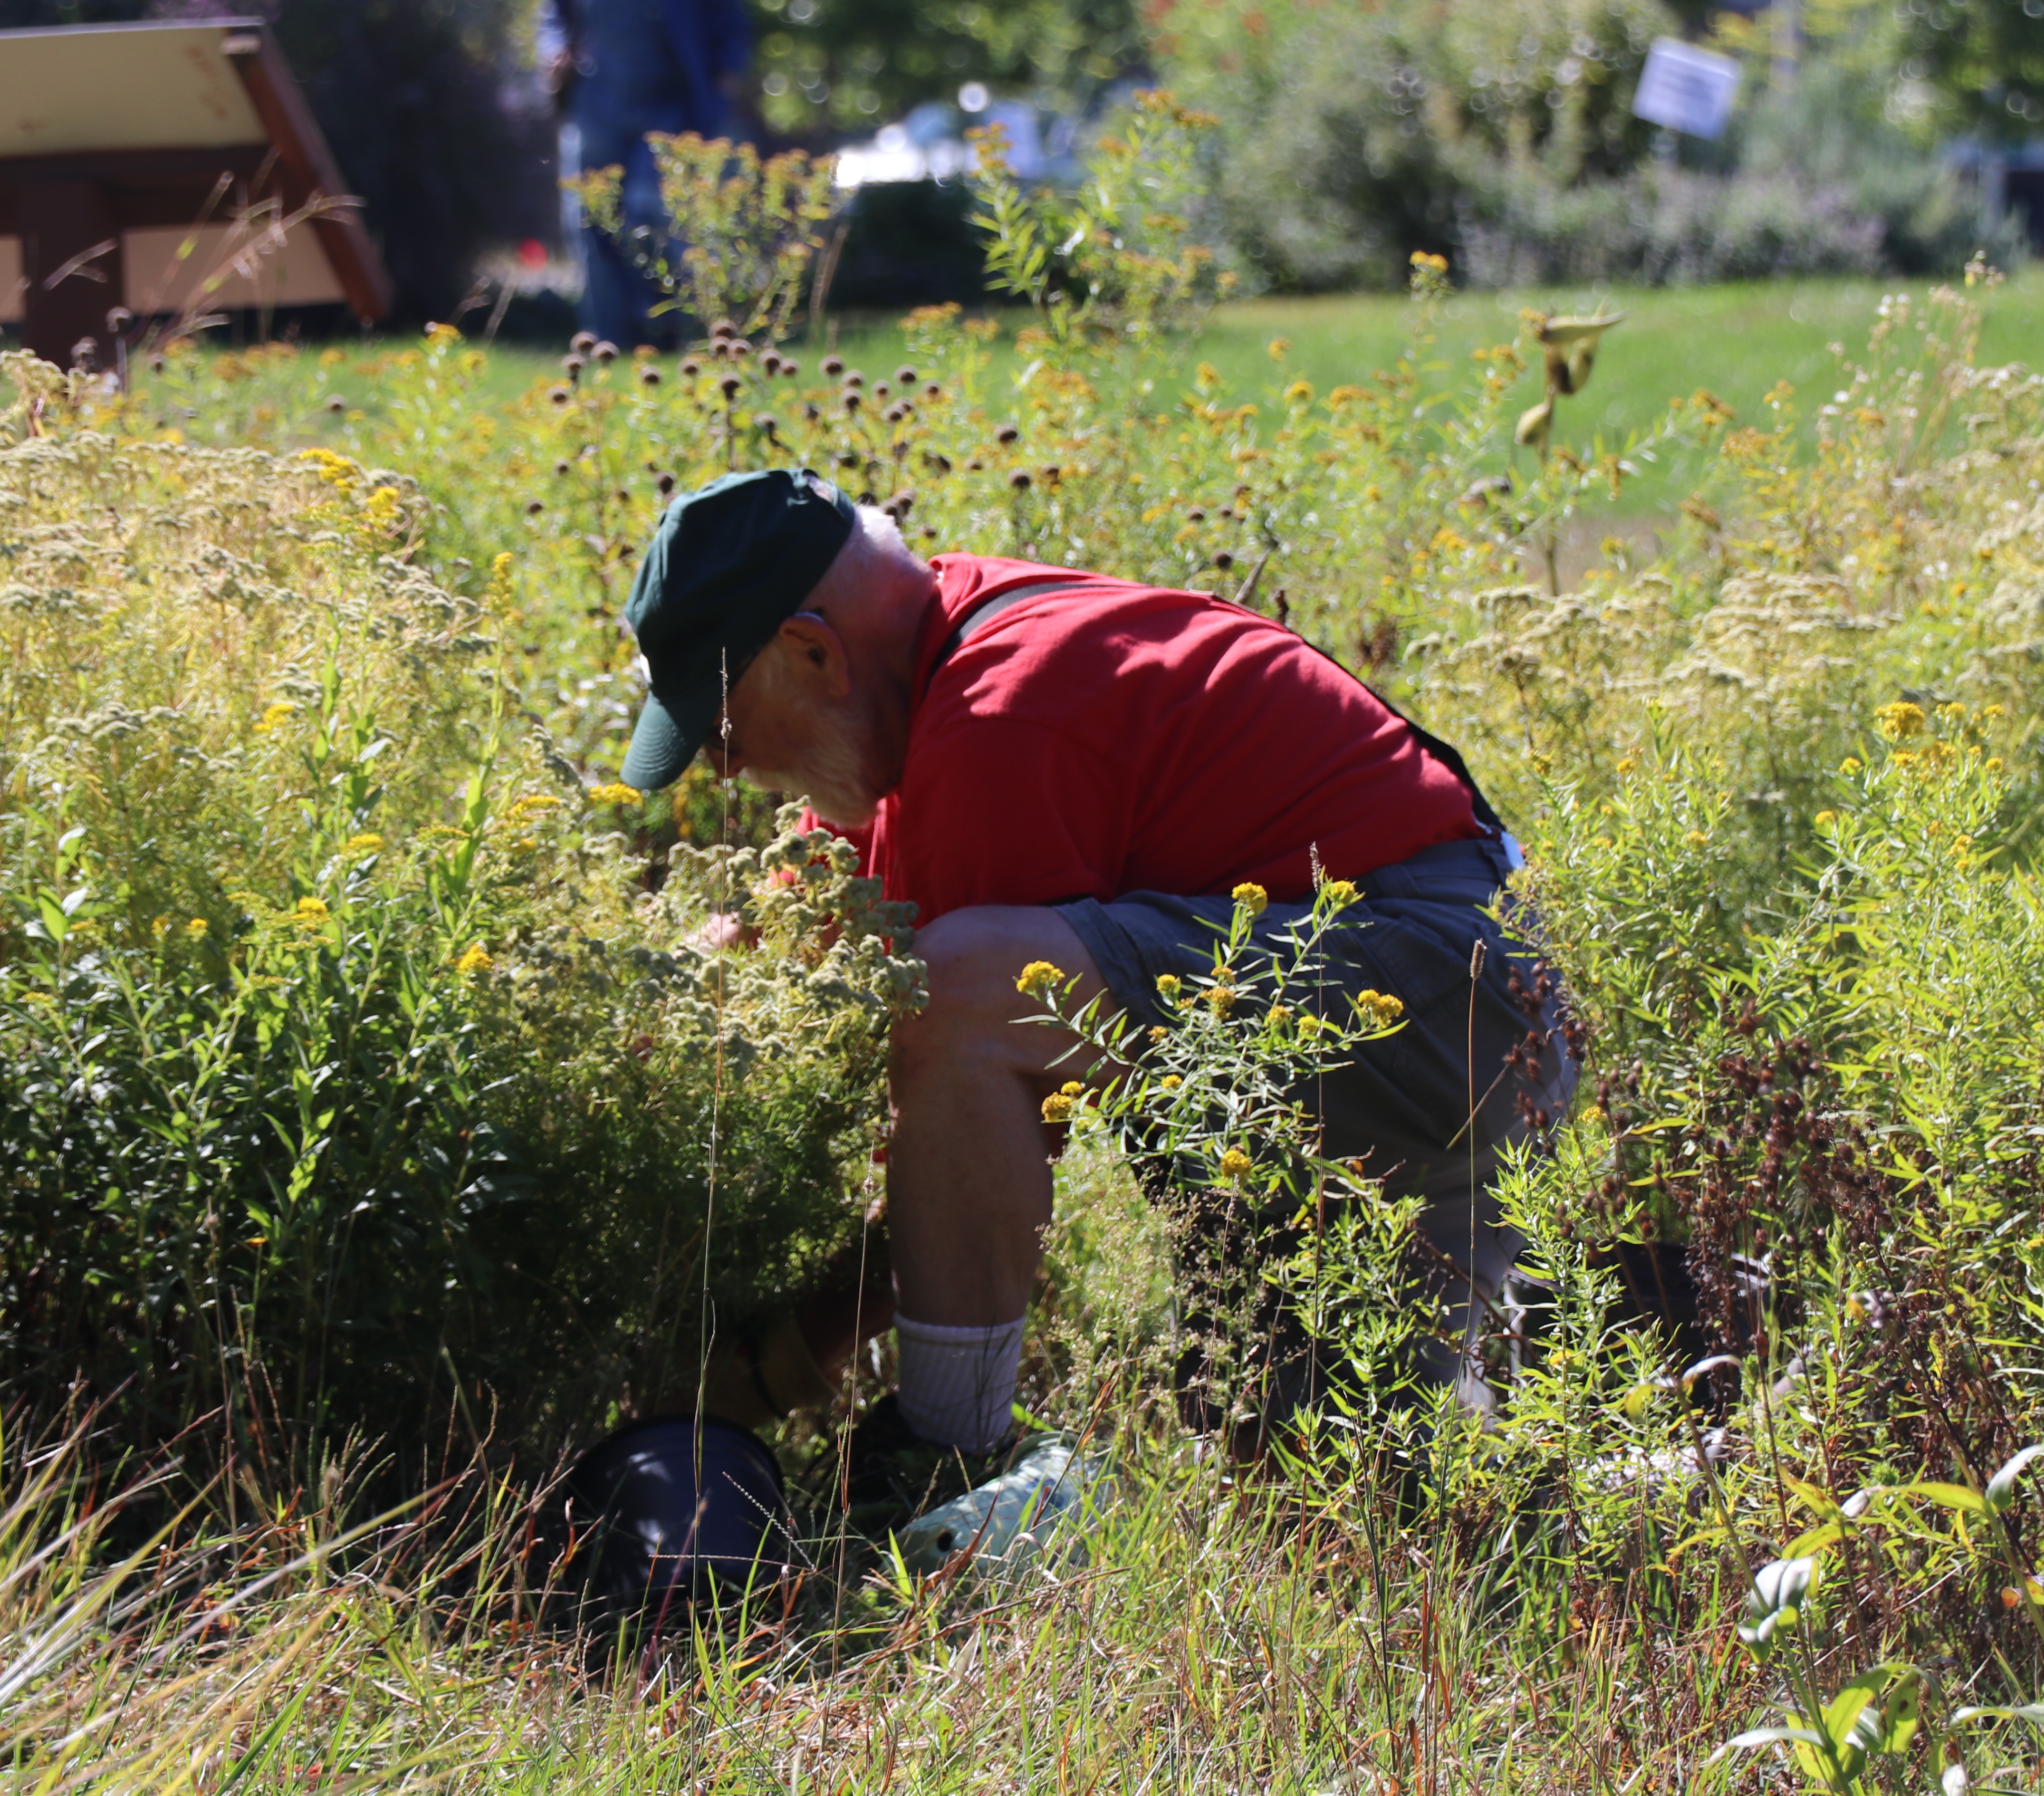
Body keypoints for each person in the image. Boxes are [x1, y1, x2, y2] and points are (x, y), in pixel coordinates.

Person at [623, 468, 1572, 1495]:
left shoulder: (998, 720)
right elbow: (798, 942)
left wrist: (776, 1365)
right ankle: (1674, 1452)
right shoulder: (924, 680)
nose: (722, 769)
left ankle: (946, 1458)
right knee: (1343, 1497)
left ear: (814, 651)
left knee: (962, 990)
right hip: (1399, 1039)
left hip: (1434, 1006)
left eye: (721, 729)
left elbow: (970, 1112)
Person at [539, 0, 752, 349]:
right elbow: (554, 19)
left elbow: (730, 24)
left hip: (670, 105)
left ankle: (667, 328)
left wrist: (721, 83)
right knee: (591, 222)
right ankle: (612, 342)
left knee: (649, 217)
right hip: (594, 103)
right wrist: (557, 51)